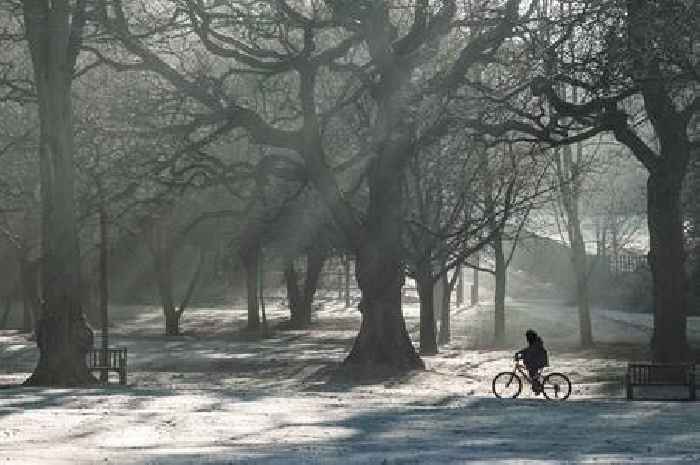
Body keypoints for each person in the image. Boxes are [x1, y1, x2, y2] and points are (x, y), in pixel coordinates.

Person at [515, 329, 548, 394]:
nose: (527, 338)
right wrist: (520, 353)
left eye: (527, 337)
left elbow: (530, 352)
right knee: (532, 374)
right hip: (538, 360)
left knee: (532, 371)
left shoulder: (535, 343)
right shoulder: (535, 342)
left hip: (539, 361)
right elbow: (528, 350)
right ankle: (536, 387)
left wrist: (520, 355)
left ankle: (537, 387)